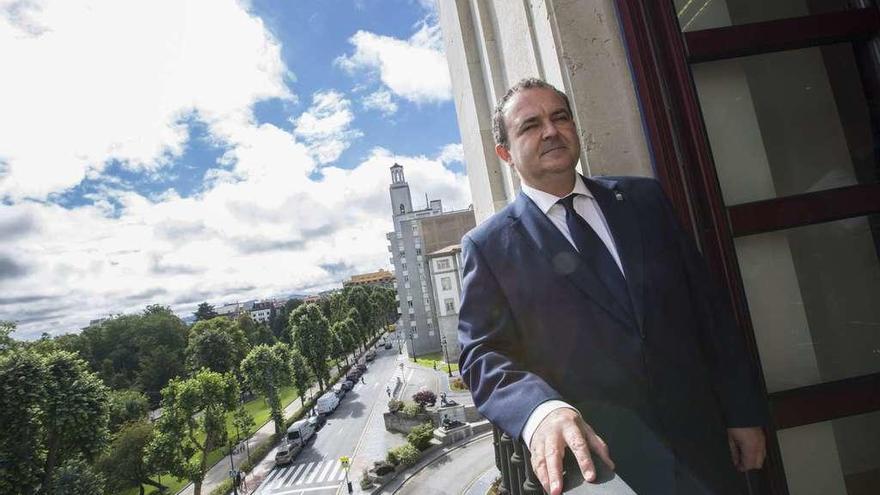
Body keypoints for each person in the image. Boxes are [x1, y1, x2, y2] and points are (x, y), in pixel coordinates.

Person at [457, 78, 767, 495]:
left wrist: (741, 411)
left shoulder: (644, 200)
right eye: (530, 125)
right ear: (505, 154)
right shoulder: (489, 246)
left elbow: (707, 310)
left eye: (560, 117)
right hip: (609, 468)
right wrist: (541, 411)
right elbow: (482, 355)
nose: (551, 130)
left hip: (704, 445)